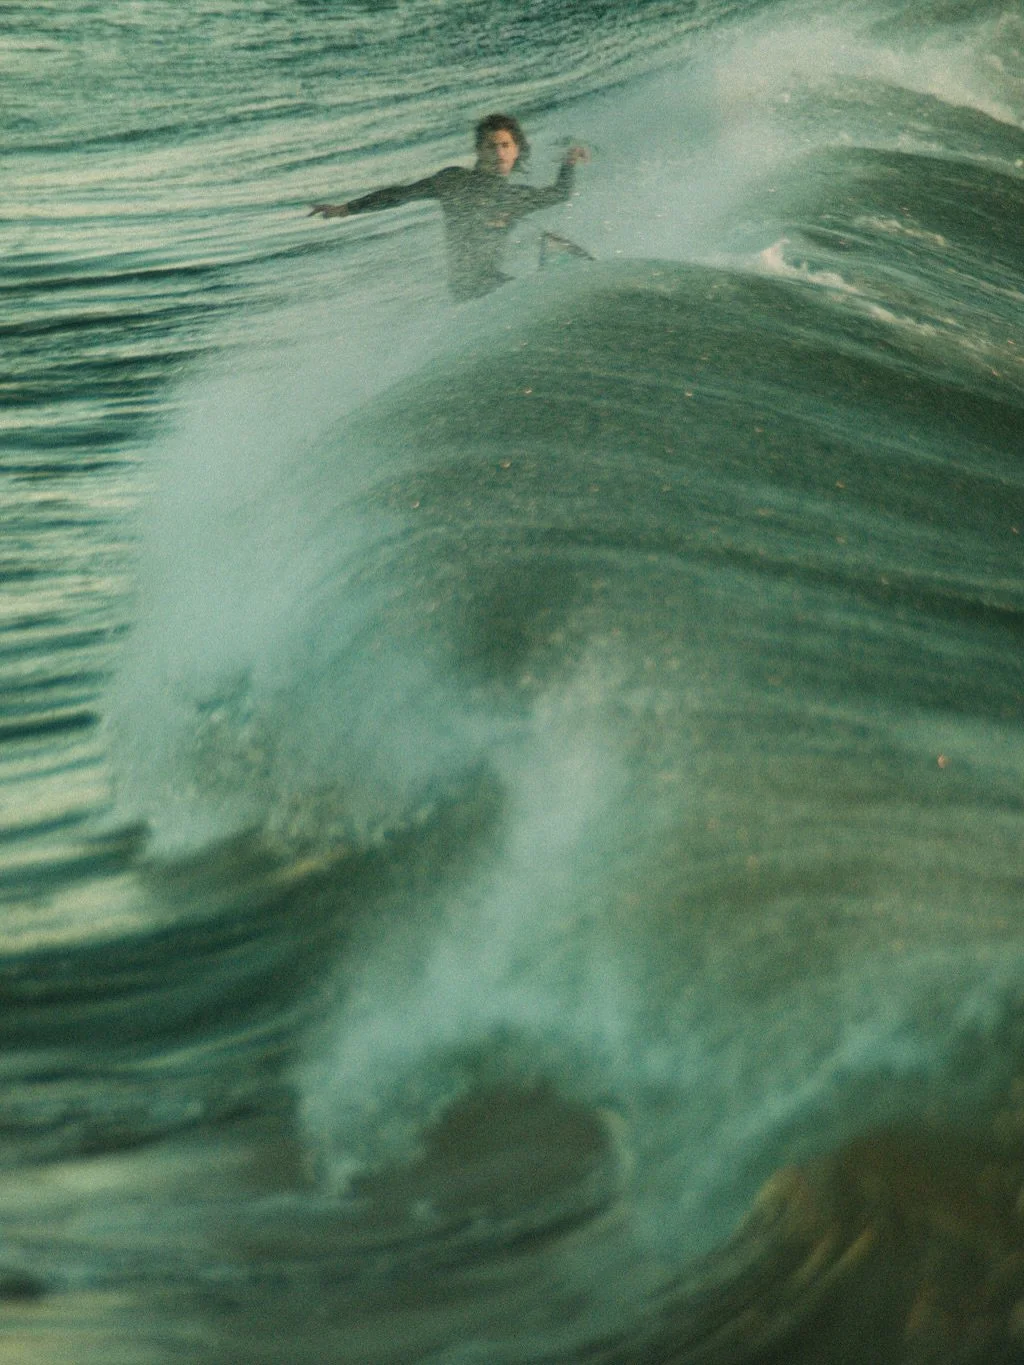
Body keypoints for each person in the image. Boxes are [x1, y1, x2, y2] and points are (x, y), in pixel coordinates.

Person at [310, 114, 588, 302]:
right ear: (479, 151)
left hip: (493, 285)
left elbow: (560, 193)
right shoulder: (454, 181)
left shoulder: (516, 197)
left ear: (517, 151)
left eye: (506, 146)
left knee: (546, 264)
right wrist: (346, 209)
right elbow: (401, 195)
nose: (499, 153)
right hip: (469, 289)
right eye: (491, 147)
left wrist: (568, 164)